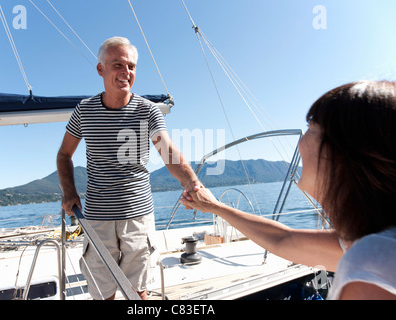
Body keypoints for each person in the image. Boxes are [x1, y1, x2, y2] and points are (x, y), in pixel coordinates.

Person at [180, 80, 396, 300]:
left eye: (311, 128)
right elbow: (282, 239)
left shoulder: (372, 265)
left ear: (343, 151)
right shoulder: (371, 241)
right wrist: (216, 207)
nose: (300, 140)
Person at [57, 36, 200, 300]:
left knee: (138, 293)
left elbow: (167, 151)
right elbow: (65, 154)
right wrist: (69, 191)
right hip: (97, 217)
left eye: (131, 66)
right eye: (118, 65)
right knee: (104, 293)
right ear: (101, 69)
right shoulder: (84, 111)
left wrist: (192, 183)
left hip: (137, 217)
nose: (126, 73)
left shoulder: (148, 111)